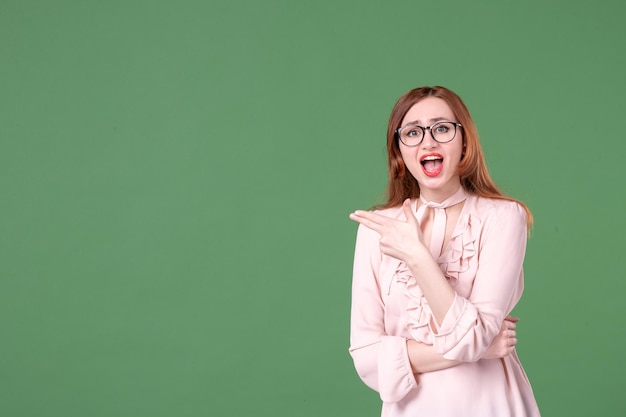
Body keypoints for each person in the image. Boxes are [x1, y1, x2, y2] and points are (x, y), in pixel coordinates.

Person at [348, 86, 540, 416]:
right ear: (399, 151)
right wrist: (478, 349)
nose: (428, 141)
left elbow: (472, 337)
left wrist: (417, 256)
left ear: (464, 141)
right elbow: (366, 357)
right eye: (412, 132)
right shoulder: (377, 228)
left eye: (442, 128)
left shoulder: (505, 217)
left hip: (490, 403)